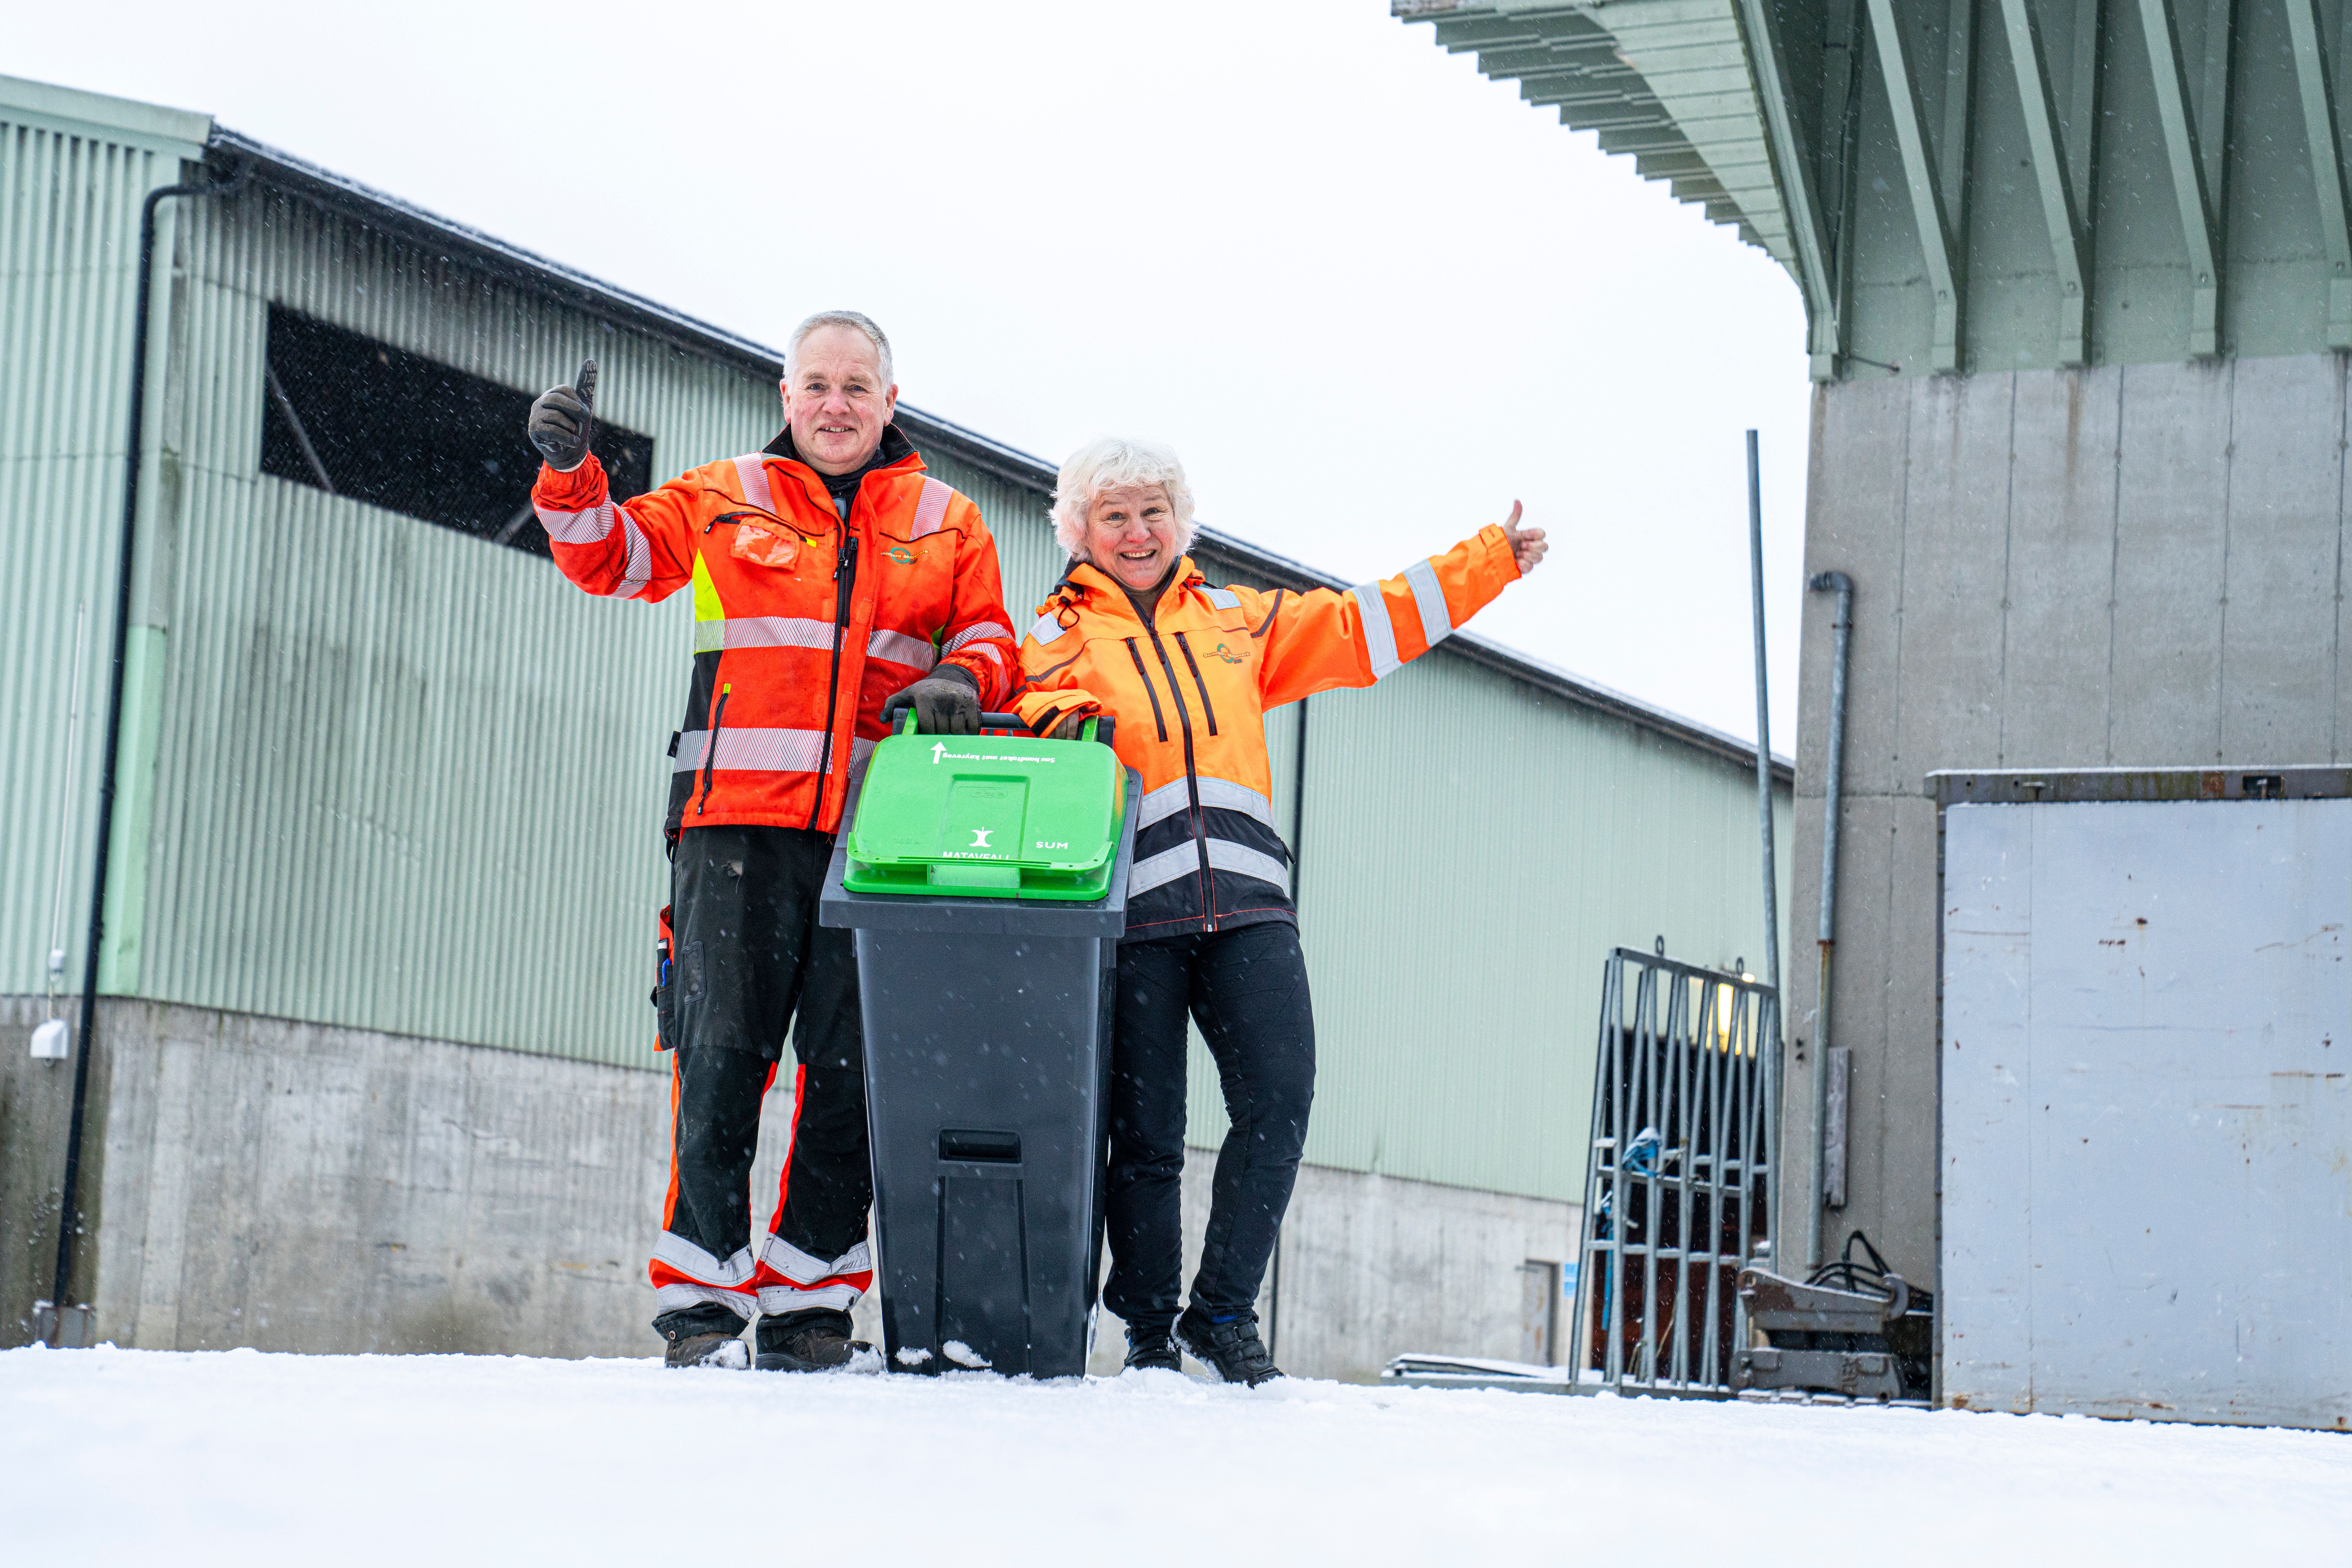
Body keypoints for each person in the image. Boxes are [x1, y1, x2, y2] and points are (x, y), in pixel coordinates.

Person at [525, 312, 1017, 1370]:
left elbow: (990, 639)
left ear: (892, 401)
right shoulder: (722, 494)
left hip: (879, 837)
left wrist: (961, 680)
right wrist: (574, 476)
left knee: (853, 1073)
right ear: (786, 395)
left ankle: (810, 1304)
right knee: (718, 1058)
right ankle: (702, 1302)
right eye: (816, 385)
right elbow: (611, 560)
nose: (835, 405)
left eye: (857, 386)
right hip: (732, 823)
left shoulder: (949, 518)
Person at [1011, 437, 1546, 1383]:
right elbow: (1030, 733)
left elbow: (1358, 628)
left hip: (1249, 908)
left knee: (1282, 1097)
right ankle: (1146, 1336)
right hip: (1131, 917)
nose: (1138, 532)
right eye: (1115, 515)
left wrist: (1486, 562)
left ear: (1180, 519)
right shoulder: (1050, 640)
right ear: (1080, 529)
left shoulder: (1234, 620)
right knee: (1145, 1136)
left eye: (1153, 511)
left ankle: (1219, 1317)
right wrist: (1055, 719)